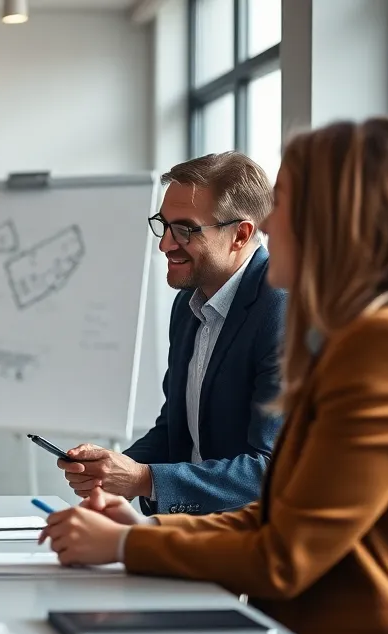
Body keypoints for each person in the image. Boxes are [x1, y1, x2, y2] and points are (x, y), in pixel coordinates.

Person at [40, 118, 388, 634]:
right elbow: (281, 510)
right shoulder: (360, 341)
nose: (272, 227)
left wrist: (125, 543)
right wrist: (134, 527)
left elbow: (288, 553)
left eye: (286, 206)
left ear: (339, 223)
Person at [57, 152, 286, 516]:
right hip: (192, 533)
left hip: (250, 542)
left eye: (185, 230)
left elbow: (270, 469)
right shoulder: (189, 305)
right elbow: (176, 430)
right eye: (163, 226)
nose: (165, 244)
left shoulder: (281, 310)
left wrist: (143, 479)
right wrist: (112, 470)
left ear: (240, 234)